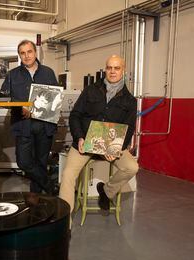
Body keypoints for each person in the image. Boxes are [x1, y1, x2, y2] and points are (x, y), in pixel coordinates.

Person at [59, 55, 139, 216]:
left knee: (132, 167)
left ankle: (106, 191)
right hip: (85, 143)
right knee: (67, 175)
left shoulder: (130, 100)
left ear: (123, 71)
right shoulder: (90, 90)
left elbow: (129, 129)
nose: (112, 71)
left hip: (110, 147)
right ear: (105, 69)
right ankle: (64, 223)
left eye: (116, 68)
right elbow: (75, 115)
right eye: (109, 68)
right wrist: (79, 137)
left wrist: (116, 149)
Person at [0, 39, 59, 194]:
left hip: (44, 125)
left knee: (41, 163)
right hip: (23, 125)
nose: (26, 56)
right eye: (22, 53)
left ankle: (36, 200)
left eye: (29, 51)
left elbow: (55, 100)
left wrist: (34, 109)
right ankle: (50, 186)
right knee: (24, 162)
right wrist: (20, 107)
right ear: (19, 55)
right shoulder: (12, 75)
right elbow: (4, 99)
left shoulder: (48, 72)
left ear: (35, 52)